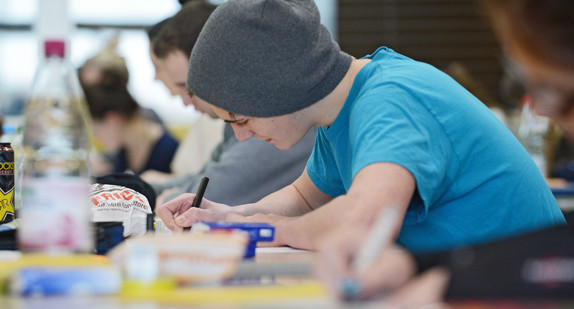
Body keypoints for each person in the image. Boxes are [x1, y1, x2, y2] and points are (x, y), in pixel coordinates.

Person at [155, 0, 564, 255]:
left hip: (531, 290)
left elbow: (363, 220)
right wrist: (232, 214)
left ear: (280, 91)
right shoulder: (342, 109)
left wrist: (271, 229)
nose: (241, 135)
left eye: (241, 119)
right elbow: (306, 197)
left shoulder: (390, 99)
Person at [314, 0, 574, 306]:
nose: (543, 110)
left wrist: (451, 278)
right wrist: (417, 265)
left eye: (552, 90)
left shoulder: (388, 94)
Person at [145, 1, 316, 205]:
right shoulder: (262, 113)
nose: (185, 100)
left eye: (188, 87)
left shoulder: (280, 116)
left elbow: (214, 192)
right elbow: (205, 181)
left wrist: (167, 198)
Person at [78, 39, 179, 176]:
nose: (98, 139)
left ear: (112, 119)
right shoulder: (122, 150)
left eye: (96, 130)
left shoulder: (168, 151)